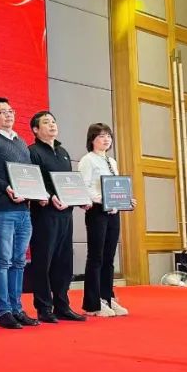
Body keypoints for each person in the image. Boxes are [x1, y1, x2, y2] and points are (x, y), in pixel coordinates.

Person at [0, 97, 40, 329]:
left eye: (10, 111)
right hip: (1, 210)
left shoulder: (21, 142)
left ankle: (17, 308)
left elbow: (28, 174)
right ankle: (3, 311)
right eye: (2, 112)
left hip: (23, 210)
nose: (8, 115)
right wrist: (5, 187)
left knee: (19, 261)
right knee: (2, 261)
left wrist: (32, 192)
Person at [27, 111, 88, 323]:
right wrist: (50, 196)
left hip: (65, 214)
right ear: (36, 129)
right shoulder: (32, 152)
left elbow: (69, 183)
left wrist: (79, 199)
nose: (52, 125)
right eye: (46, 122)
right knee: (43, 261)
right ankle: (44, 307)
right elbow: (34, 182)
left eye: (53, 121)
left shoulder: (63, 152)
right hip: (44, 213)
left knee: (64, 261)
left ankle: (62, 305)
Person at [78, 123, 136, 317]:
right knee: (96, 257)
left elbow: (116, 187)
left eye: (108, 136)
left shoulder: (111, 161)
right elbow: (85, 186)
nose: (106, 139)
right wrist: (102, 199)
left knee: (109, 258)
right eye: (101, 136)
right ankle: (93, 303)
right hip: (97, 211)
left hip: (113, 212)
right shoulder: (88, 160)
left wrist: (126, 200)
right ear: (92, 139)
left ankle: (107, 297)